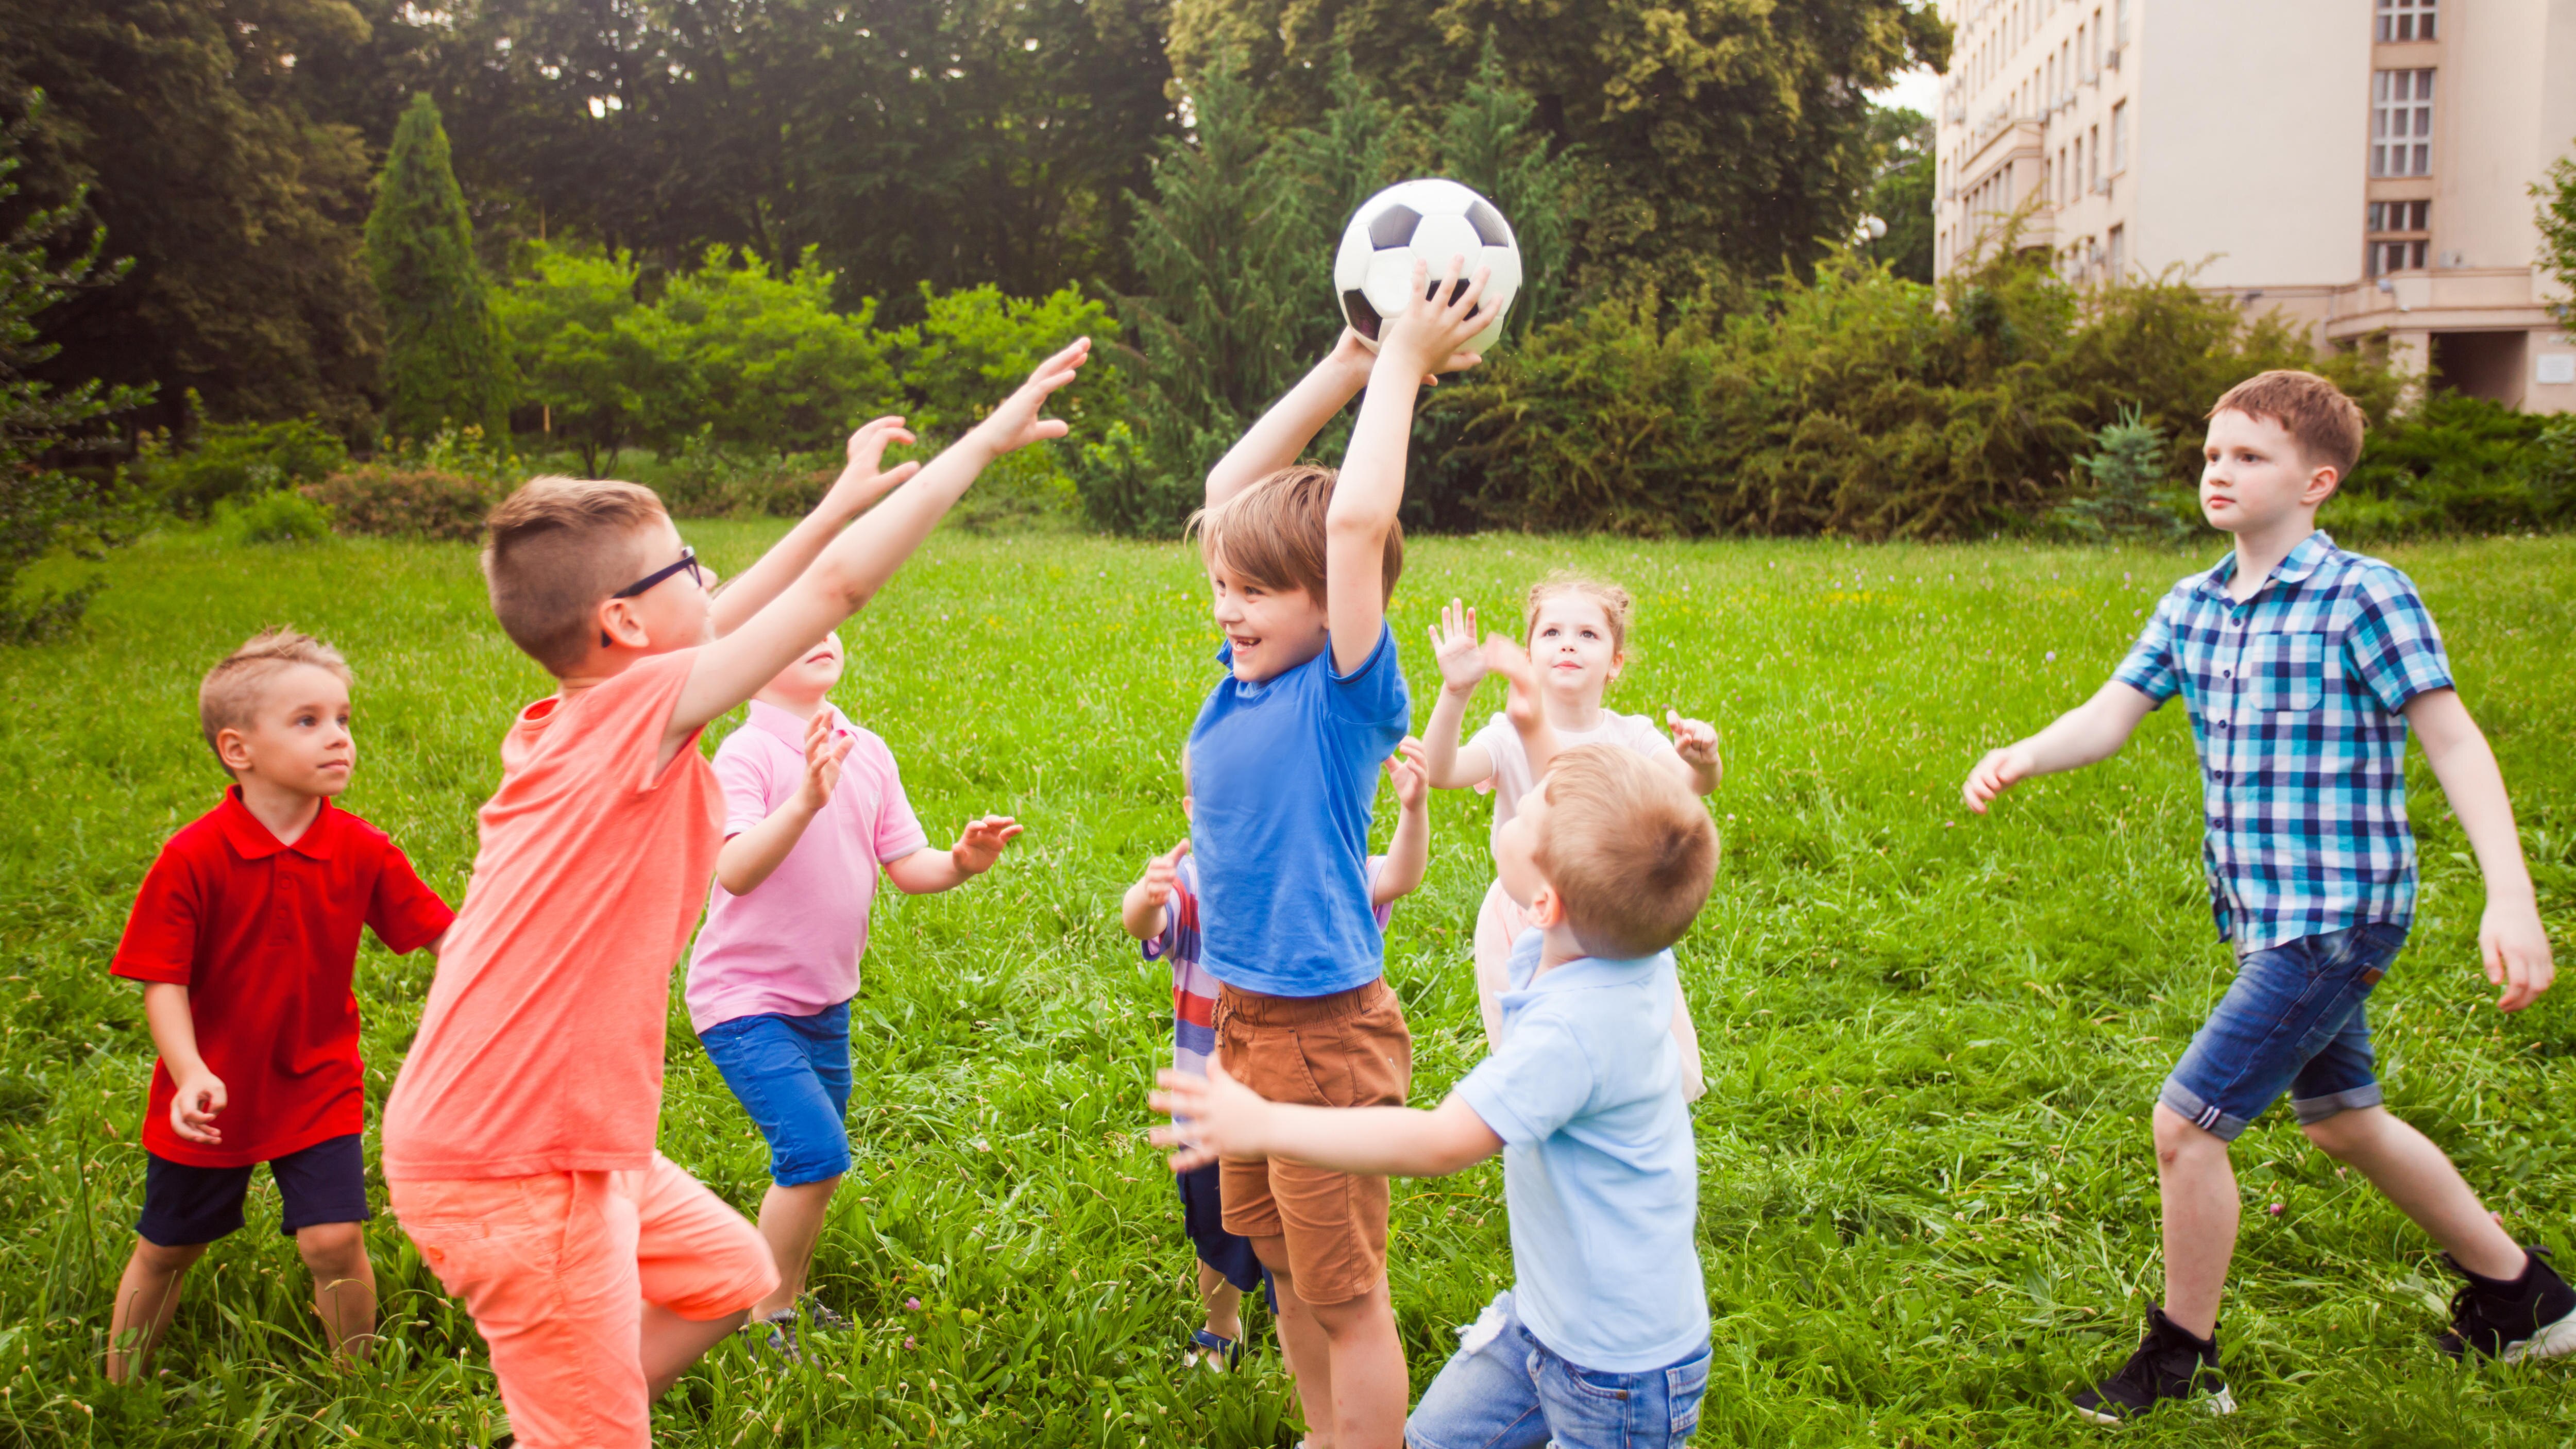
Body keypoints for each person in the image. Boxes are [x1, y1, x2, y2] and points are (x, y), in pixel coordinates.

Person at [381, 342, 1087, 1449]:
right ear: (623, 623)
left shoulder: (596, 707)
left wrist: (833, 502)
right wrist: (984, 444)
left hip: (565, 1137)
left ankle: (567, 1420)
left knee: (725, 1270)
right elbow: (829, 595)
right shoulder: (633, 717)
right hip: (518, 1158)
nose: (712, 578)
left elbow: (766, 601)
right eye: (690, 565)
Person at [1960, 369, 2568, 1424]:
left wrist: (2507, 893)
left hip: (2336, 914)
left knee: (2187, 1126)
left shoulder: (2362, 593)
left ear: (2317, 480)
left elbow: (2454, 740)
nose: (2220, 471)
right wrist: (2020, 753)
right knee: (2344, 1121)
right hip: (2264, 917)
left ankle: (2183, 1363)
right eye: (2212, 453)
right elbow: (2109, 714)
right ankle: (2526, 1297)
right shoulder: (2192, 604)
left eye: (2251, 456)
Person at [1151, 745, 1720, 1449]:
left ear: (1545, 901)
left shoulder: (1575, 1034)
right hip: (1537, 1324)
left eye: (1528, 812)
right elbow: (1645, 852)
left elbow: (1440, 1141)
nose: (1514, 806)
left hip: (1620, 1376)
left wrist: (1268, 1120)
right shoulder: (1622, 945)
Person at [1179, 256, 1491, 1449]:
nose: (1227, 606)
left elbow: (1356, 520)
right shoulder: (1247, 670)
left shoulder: (1338, 696)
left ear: (1329, 606)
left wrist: (1404, 370)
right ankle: (1327, 1433)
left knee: (1346, 1290)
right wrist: (1350, 358)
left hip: (1321, 1037)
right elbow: (1227, 486)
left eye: (1256, 589)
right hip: (1243, 1022)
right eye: (1223, 585)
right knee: (1278, 1262)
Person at [105, 630, 454, 1383]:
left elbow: (445, 939)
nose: (339, 738)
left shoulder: (363, 849)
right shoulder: (192, 857)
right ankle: (119, 1387)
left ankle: (358, 1385)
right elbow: (160, 980)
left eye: (344, 719)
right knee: (168, 1249)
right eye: (308, 721)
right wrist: (189, 1070)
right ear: (238, 749)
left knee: (333, 1241)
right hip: (210, 1091)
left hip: (317, 1080)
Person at [686, 627, 1022, 1357]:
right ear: (747, 670)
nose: (819, 636)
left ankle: (790, 1298)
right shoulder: (747, 753)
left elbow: (908, 865)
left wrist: (962, 862)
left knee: (819, 1164)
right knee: (814, 1152)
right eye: (793, 628)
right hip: (743, 999)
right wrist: (805, 800)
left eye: (824, 623)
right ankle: (765, 1317)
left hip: (824, 1001)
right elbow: (734, 869)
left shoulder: (865, 749)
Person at [1120, 741, 1432, 1370]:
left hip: (1304, 1104)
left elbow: (1396, 876)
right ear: (1193, 811)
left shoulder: (1324, 871)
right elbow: (1142, 925)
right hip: (1215, 1113)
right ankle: (1220, 1322)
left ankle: (1304, 1338)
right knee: (1217, 1233)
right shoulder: (1195, 883)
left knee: (1301, 1234)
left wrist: (1413, 812)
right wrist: (1149, 894)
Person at [1420, 574, 1720, 1095]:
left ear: (1615, 663)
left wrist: (1705, 761)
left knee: (1628, 1042)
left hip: (1611, 908)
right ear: (1530, 654)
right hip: (1528, 918)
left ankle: (1629, 1108)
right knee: (1538, 1060)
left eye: (1587, 634)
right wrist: (1454, 692)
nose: (1567, 643)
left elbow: (1691, 788)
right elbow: (1443, 769)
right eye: (1551, 632)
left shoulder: (1630, 735)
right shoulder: (1507, 733)